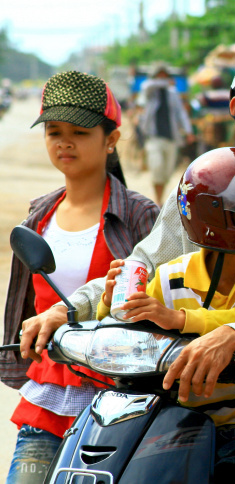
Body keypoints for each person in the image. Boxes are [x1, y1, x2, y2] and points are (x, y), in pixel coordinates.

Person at [19, 42, 235, 484]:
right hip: (186, 388)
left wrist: (234, 335)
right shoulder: (203, 184)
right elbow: (143, 262)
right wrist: (69, 309)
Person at [98, 148, 235, 483]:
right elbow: (133, 331)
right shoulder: (168, 276)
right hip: (176, 419)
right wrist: (111, 303)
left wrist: (179, 319)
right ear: (213, 216)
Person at [2, 71, 159, 484]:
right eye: (54, 131)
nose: (64, 142)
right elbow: (26, 308)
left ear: (111, 139)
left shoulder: (141, 216)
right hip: (48, 398)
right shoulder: (38, 217)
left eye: (79, 132)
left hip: (125, 397)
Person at [138, 63, 196, 205]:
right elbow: (147, 86)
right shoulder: (150, 90)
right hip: (154, 137)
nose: (163, 79)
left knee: (167, 171)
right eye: (160, 76)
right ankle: (158, 200)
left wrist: (188, 131)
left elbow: (180, 113)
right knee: (157, 167)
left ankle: (161, 196)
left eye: (165, 76)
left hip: (171, 137)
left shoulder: (173, 93)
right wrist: (164, 83)